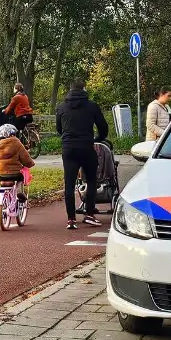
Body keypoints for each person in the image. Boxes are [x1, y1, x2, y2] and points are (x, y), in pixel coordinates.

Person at [56, 79, 109, 229]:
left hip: (68, 148)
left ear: (70, 89)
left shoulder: (61, 107)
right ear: (84, 89)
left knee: (69, 184)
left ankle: (71, 219)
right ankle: (89, 214)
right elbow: (103, 128)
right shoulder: (92, 106)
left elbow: (59, 128)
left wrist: (67, 137)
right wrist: (96, 139)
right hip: (86, 147)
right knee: (92, 180)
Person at [0, 123, 35, 201]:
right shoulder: (17, 144)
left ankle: (3, 198)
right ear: (13, 134)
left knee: (2, 181)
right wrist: (30, 164)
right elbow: (26, 158)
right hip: (15, 174)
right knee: (21, 178)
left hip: (2, 174)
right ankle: (19, 190)